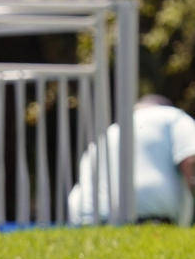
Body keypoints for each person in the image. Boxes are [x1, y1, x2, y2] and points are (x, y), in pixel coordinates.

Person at [68, 94, 195, 225]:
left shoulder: (109, 132)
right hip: (148, 214)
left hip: (88, 217)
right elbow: (190, 160)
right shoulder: (174, 116)